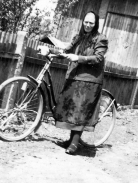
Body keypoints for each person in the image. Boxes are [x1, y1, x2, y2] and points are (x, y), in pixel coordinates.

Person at [39, 11, 108, 155]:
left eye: (91, 23)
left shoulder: (101, 39)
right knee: (71, 109)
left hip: (90, 79)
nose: (88, 25)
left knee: (80, 111)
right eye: (86, 22)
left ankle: (75, 143)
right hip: (75, 76)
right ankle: (71, 140)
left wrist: (78, 58)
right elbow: (65, 51)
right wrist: (49, 50)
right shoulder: (78, 37)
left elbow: (98, 58)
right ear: (83, 21)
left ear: (95, 25)